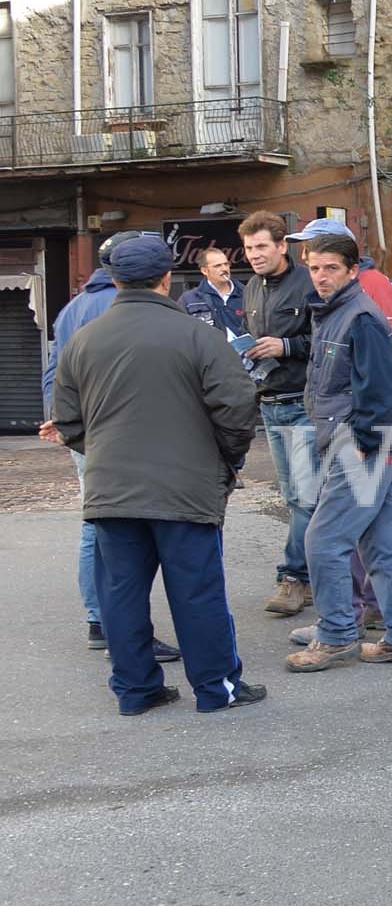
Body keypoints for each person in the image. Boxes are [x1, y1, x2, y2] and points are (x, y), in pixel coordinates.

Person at [49, 235, 264, 715]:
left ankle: (136, 690)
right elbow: (237, 405)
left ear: (117, 280)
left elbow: (66, 421)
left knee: (120, 594)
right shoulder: (198, 335)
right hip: (185, 488)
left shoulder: (83, 340)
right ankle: (216, 689)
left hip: (111, 489)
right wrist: (225, 460)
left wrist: (103, 451)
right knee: (197, 592)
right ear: (167, 279)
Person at [283, 229, 392, 671]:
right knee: (379, 543)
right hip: (355, 440)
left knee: (323, 539)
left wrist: (366, 443)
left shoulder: (359, 315)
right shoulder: (333, 312)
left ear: (351, 270)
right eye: (314, 268)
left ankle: (337, 634)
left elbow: (382, 388)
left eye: (331, 268)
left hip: (362, 444)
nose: (321, 276)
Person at [41, 240, 171, 660]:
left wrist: (62, 423)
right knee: (128, 531)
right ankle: (126, 628)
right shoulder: (129, 305)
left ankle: (99, 619)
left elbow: (53, 371)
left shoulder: (72, 308)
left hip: (84, 431)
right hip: (127, 433)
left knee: (95, 522)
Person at [239, 210, 321, 617]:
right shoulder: (251, 288)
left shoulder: (308, 282)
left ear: (281, 245)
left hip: (303, 403)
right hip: (269, 403)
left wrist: (285, 347)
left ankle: (292, 577)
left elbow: (325, 340)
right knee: (294, 497)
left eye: (261, 247)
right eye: (249, 248)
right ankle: (311, 578)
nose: (254, 255)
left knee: (306, 497)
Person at [181, 246, 246, 336]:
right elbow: (182, 333)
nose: (224, 269)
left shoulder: (247, 294)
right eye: (217, 266)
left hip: (246, 349)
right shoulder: (189, 300)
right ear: (204, 271)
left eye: (226, 264)